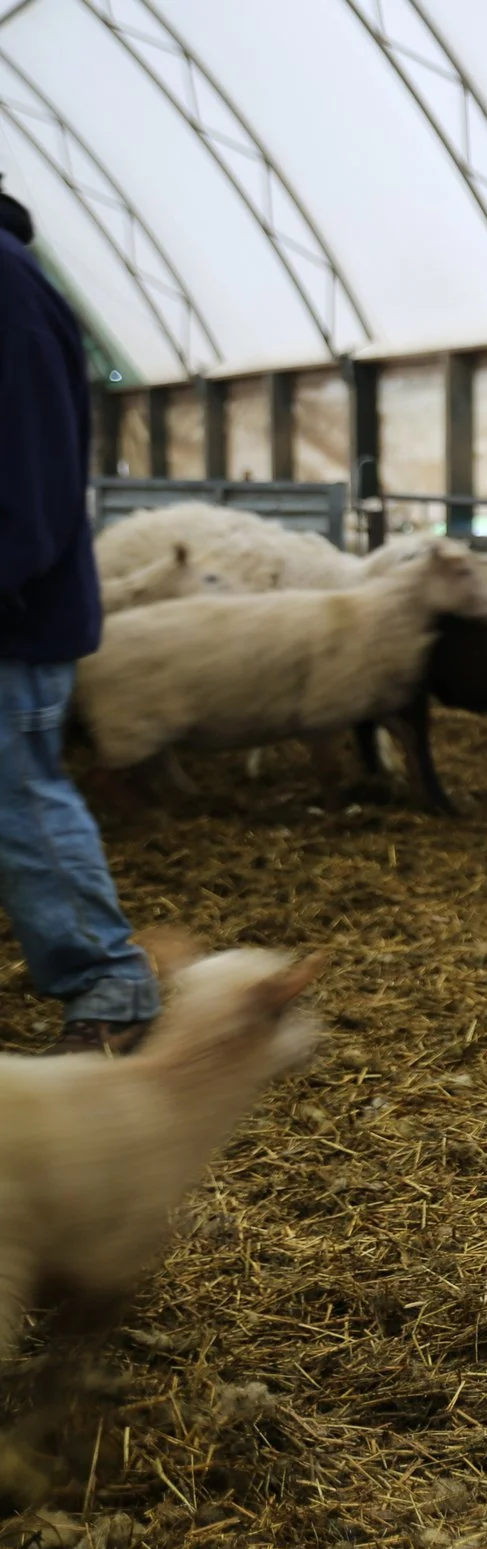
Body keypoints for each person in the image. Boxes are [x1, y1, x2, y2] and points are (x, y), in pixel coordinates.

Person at [0, 185, 161, 1052]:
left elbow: (25, 470)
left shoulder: (7, 286)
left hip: (12, 618)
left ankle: (111, 982)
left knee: (18, 796)